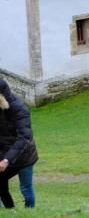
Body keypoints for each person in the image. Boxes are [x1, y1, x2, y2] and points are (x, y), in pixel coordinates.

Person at [0, 79, 38, 209]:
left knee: (25, 188)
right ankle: (10, 211)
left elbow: (24, 137)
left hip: (24, 156)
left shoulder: (19, 108)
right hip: (5, 153)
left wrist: (6, 160)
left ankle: (30, 213)